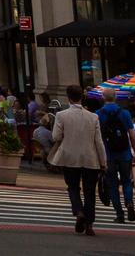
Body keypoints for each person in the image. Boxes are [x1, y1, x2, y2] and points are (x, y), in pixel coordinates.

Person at [48, 82, 108, 236]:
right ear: (82, 97)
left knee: (73, 187)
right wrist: (103, 162)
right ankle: (89, 224)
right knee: (90, 192)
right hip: (90, 158)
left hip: (69, 157)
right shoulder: (93, 117)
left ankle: (78, 211)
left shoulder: (61, 115)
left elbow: (55, 136)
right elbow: (99, 142)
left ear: (68, 98)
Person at [95, 90, 135, 223]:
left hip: (108, 155)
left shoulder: (98, 114)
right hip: (125, 153)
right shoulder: (125, 113)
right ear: (116, 97)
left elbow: (97, 137)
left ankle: (120, 214)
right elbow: (132, 135)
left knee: (112, 184)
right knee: (126, 181)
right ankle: (129, 203)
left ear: (103, 98)